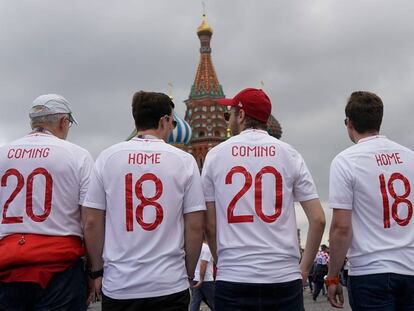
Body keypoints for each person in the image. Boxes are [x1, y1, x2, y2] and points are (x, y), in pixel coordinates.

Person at [202, 88, 326, 311]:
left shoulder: (215, 155)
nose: (227, 120)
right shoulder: (290, 154)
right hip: (283, 278)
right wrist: (305, 267)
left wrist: (221, 261)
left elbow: (210, 226)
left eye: (229, 113)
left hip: (234, 277)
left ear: (241, 115)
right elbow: (318, 219)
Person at [82, 91, 205, 311]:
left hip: (120, 285)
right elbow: (195, 226)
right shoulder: (184, 161)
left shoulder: (108, 158)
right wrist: (186, 274)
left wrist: (97, 272)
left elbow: (91, 222)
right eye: (172, 123)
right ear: (164, 120)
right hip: (169, 284)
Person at [0, 94, 94, 310]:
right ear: (63, 122)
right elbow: (89, 220)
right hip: (60, 267)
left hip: (8, 264)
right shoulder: (77, 156)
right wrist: (94, 270)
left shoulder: (3, 153)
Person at [327, 91, 414, 310]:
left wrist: (333, 277)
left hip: (370, 272)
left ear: (350, 123)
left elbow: (341, 228)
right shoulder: (410, 157)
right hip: (410, 268)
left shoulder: (345, 161)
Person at [190, 239, 215, 311]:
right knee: (214, 300)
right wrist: (201, 280)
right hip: (205, 280)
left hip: (195, 278)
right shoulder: (207, 248)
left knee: (195, 302)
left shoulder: (196, 247)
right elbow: (203, 264)